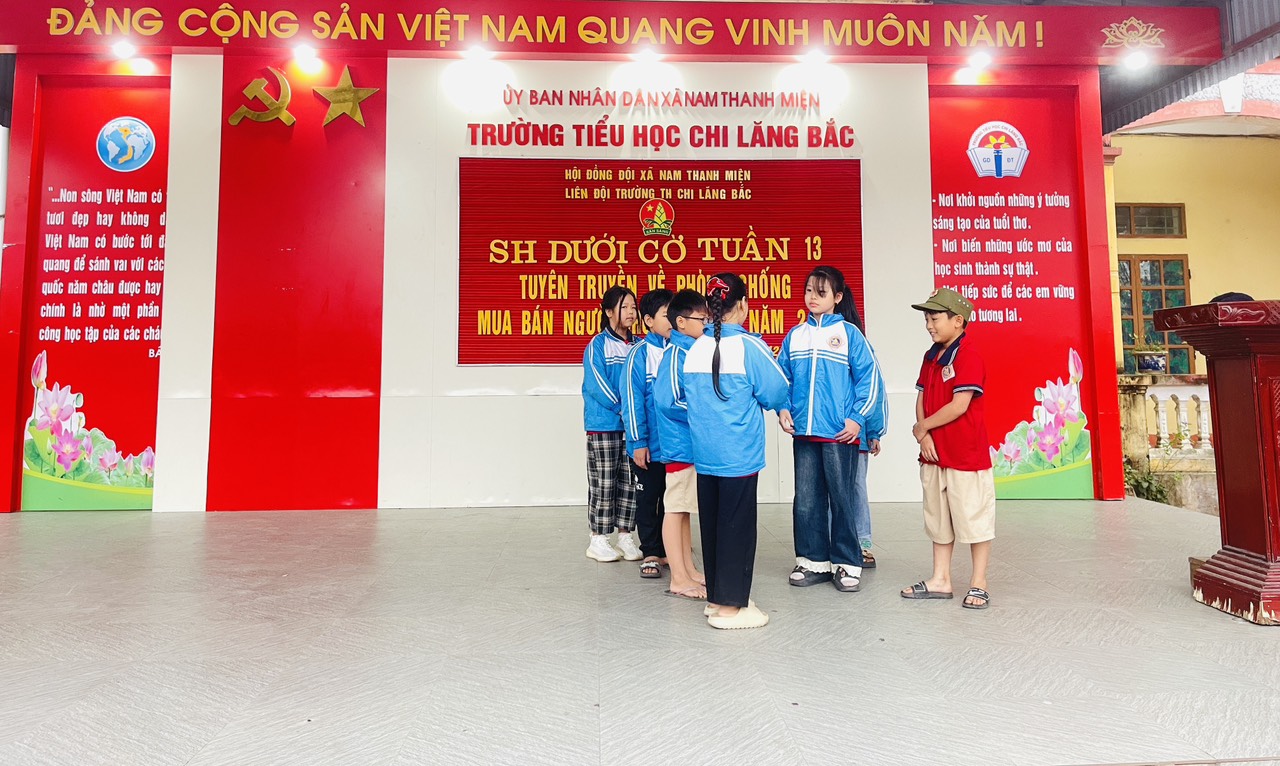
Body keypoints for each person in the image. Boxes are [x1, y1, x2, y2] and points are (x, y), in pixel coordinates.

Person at [684, 273, 790, 629]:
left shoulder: (695, 347)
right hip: (739, 455)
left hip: (705, 454)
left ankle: (717, 598)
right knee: (737, 530)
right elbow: (777, 390)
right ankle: (731, 609)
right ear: (742, 304)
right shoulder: (748, 346)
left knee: (714, 528)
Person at [776, 266, 879, 593]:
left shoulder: (850, 334)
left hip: (839, 434)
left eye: (821, 292)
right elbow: (781, 379)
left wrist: (857, 419)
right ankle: (812, 561)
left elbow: (870, 380)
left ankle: (847, 563)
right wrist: (783, 409)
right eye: (809, 290)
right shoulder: (795, 336)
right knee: (806, 500)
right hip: (804, 434)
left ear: (837, 297)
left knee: (842, 498)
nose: (812, 297)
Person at [900, 288, 996, 610]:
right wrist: (924, 435)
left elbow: (959, 405)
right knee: (938, 519)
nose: (929, 325)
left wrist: (923, 427)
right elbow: (921, 396)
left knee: (974, 519)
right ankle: (940, 579)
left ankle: (979, 582)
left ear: (958, 321)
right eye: (927, 319)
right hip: (934, 455)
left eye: (935, 318)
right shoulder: (931, 356)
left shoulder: (969, 355)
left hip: (965, 456)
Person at [653, 289, 710, 603]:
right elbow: (669, 400)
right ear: (681, 323)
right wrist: (707, 413)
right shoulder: (677, 354)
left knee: (684, 508)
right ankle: (678, 578)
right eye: (701, 318)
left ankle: (688, 569)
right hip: (680, 444)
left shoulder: (690, 351)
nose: (706, 324)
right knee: (675, 509)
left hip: (690, 444)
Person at [581, 285, 642, 563]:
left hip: (632, 427)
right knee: (604, 481)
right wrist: (623, 409)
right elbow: (596, 384)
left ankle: (625, 536)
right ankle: (598, 538)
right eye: (624, 307)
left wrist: (635, 416)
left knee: (630, 482)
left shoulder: (639, 346)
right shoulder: (598, 344)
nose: (630, 312)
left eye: (633, 307)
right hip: (604, 424)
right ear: (608, 311)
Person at [620, 289, 674, 579]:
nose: (673, 319)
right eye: (666, 315)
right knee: (648, 499)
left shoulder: (681, 351)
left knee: (672, 500)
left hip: (676, 447)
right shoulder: (639, 354)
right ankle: (651, 551)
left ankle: (670, 550)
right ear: (649, 321)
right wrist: (638, 442)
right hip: (648, 447)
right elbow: (632, 401)